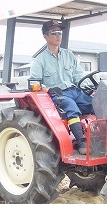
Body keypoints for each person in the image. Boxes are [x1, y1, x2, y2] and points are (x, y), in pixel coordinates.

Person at [30, 20, 93, 155]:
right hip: (57, 94)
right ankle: (81, 142)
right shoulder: (40, 60)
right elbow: (34, 82)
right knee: (71, 106)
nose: (58, 36)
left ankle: (98, 138)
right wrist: (48, 89)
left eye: (60, 32)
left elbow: (78, 76)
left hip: (74, 90)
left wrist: (89, 89)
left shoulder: (68, 55)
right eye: (54, 33)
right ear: (45, 36)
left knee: (96, 104)